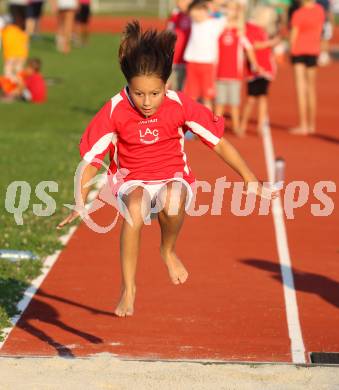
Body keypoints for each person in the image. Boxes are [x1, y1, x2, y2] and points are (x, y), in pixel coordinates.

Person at [57, 21, 278, 317]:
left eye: (154, 94)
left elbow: (219, 143)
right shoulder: (114, 109)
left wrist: (250, 179)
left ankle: (167, 250)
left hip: (173, 175)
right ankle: (129, 288)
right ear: (128, 87)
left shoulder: (179, 105)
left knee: (172, 200)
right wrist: (80, 198)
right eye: (139, 94)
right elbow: (92, 161)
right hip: (131, 179)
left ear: (166, 85)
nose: (147, 102)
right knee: (135, 207)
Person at [214, 0, 259, 135]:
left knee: (234, 104)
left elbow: (249, 49)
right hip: (219, 74)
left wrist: (254, 64)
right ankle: (216, 128)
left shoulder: (240, 34)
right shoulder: (218, 31)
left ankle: (237, 127)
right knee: (219, 104)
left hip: (234, 75)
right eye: (228, 10)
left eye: (233, 10)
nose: (230, 12)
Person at [239, 6, 280, 136]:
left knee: (263, 97)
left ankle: (260, 126)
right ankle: (242, 125)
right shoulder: (250, 27)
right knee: (251, 99)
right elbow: (252, 45)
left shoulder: (262, 29)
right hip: (254, 69)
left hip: (266, 68)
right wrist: (271, 43)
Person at [289, 0, 325, 135]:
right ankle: (311, 125)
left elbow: (294, 34)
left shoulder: (298, 13)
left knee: (301, 87)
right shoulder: (320, 10)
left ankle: (303, 124)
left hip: (298, 51)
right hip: (313, 51)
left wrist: (289, 52)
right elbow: (320, 29)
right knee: (311, 88)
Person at [183, 0, 226, 109]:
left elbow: (223, 14)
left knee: (207, 97)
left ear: (207, 11)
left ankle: (207, 123)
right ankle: (189, 122)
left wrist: (212, 8)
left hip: (208, 64)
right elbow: (187, 8)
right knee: (191, 96)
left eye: (201, 11)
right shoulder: (194, 21)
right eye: (195, 11)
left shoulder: (216, 23)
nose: (197, 14)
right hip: (192, 62)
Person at [167, 0, 192, 91]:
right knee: (172, 91)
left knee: (186, 92)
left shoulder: (195, 16)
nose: (179, 3)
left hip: (189, 61)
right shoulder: (175, 16)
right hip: (175, 60)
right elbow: (169, 34)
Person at [1, 13, 29, 81]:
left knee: (8, 73)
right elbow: (26, 43)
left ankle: (12, 88)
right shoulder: (19, 30)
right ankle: (21, 87)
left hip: (11, 54)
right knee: (19, 72)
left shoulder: (4, 31)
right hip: (22, 54)